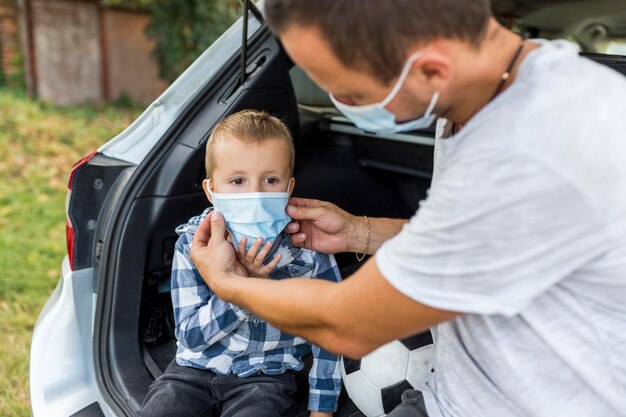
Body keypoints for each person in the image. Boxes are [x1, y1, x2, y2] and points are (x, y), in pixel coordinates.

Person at [189, 1, 626, 417]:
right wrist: (358, 232)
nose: (343, 102)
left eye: (351, 91)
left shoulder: (529, 152)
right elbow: (473, 239)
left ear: (430, 69)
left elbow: (348, 324)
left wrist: (228, 283)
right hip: (458, 396)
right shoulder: (488, 92)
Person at [137, 110, 342, 417]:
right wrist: (244, 291)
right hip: (192, 371)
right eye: (237, 181)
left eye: (270, 180)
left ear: (289, 187)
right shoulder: (195, 245)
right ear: (211, 191)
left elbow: (331, 330)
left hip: (265, 377)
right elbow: (191, 336)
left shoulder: (308, 250)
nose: (255, 194)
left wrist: (321, 409)